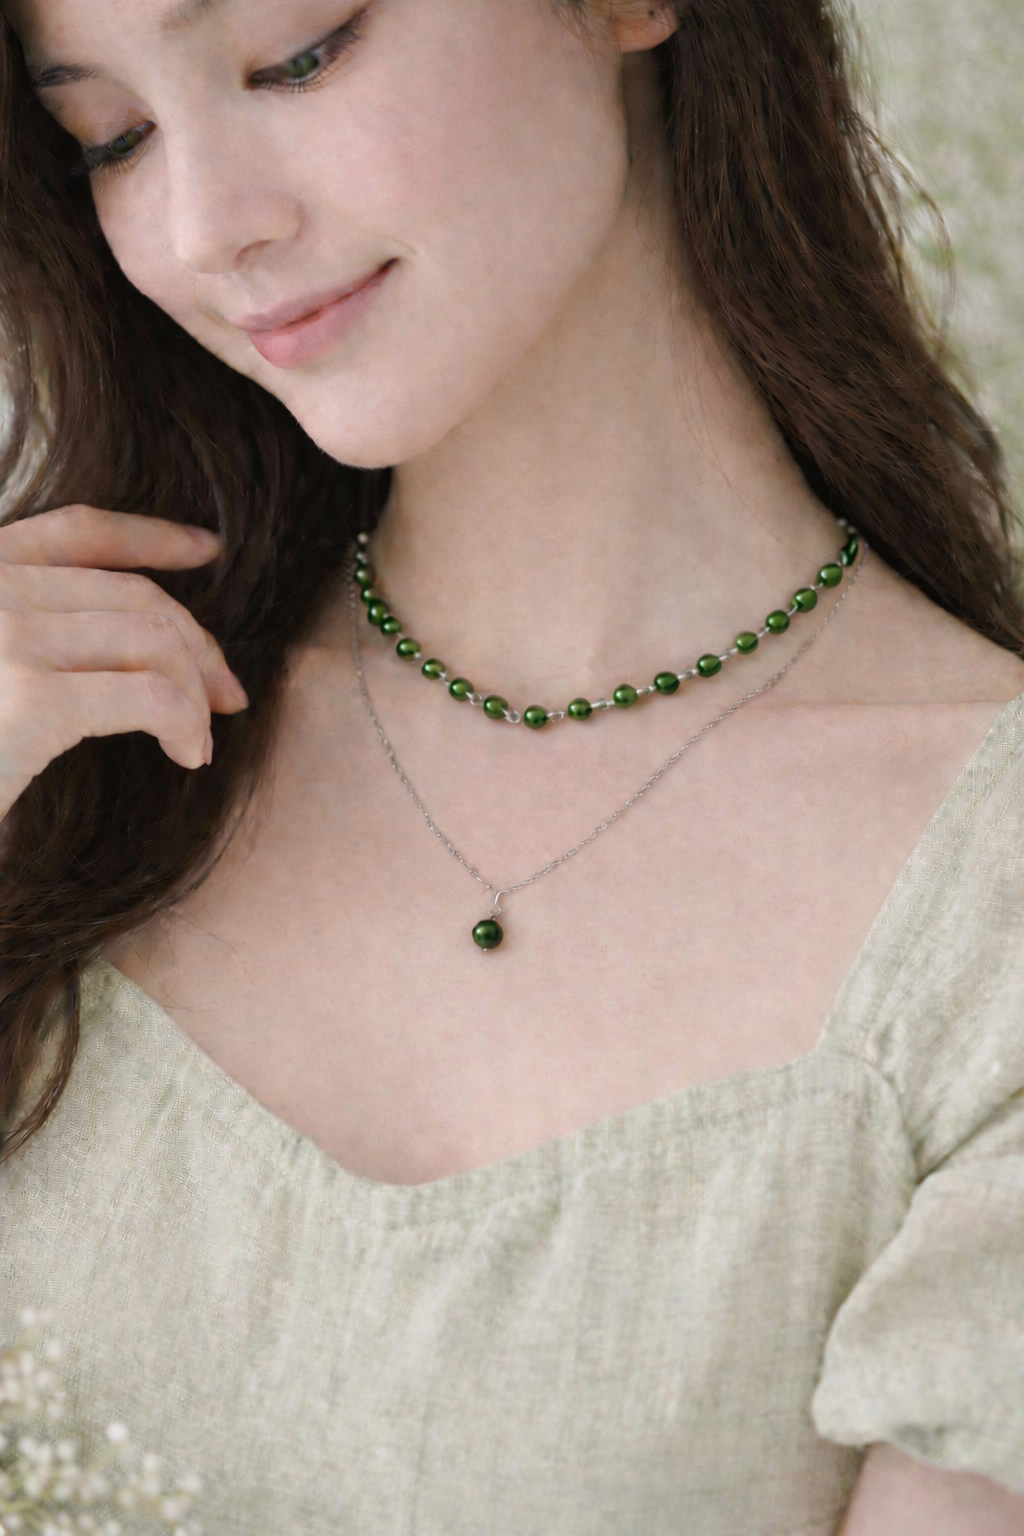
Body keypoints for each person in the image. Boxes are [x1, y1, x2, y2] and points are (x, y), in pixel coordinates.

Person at [0, 0, 1022, 1529]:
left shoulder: (985, 918)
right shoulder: (67, 726)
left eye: (300, 52)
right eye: (115, 136)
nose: (205, 228)